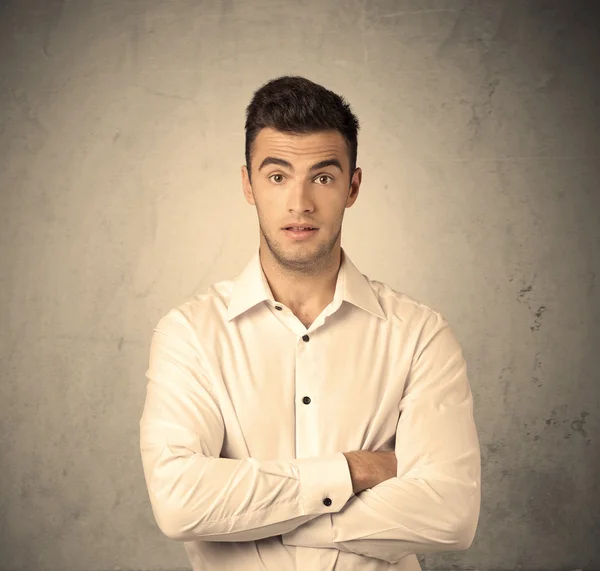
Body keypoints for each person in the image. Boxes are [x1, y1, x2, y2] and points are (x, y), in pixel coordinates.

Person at [139, 75, 481, 571]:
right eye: (277, 176)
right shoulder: (189, 335)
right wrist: (354, 470)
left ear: (352, 187)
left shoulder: (420, 336)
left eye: (322, 177)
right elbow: (178, 504)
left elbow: (449, 515)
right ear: (248, 184)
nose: (300, 202)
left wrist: (256, 521)